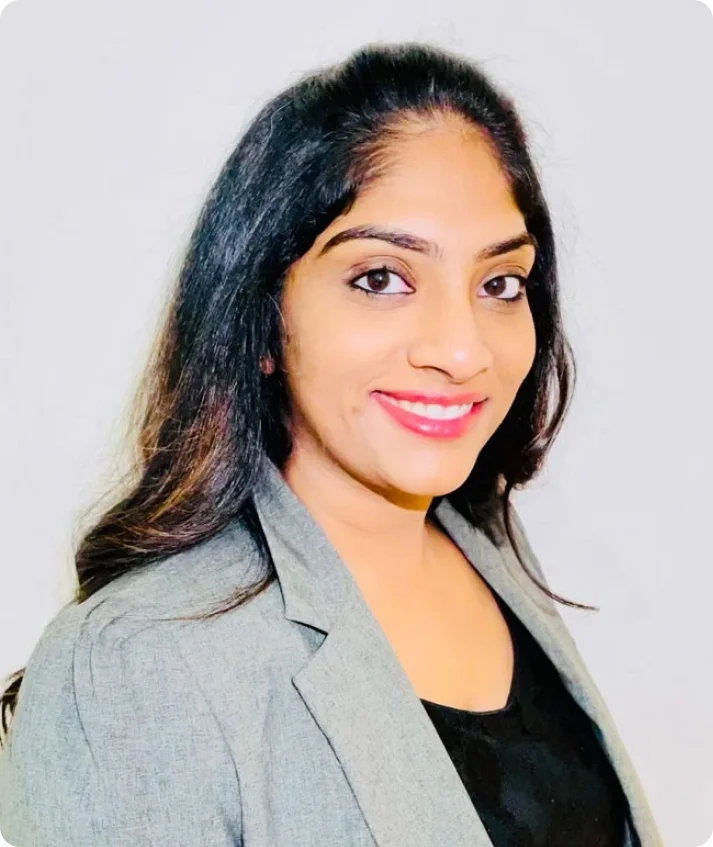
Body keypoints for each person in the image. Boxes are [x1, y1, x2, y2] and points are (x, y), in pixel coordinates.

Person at [0, 42, 662, 847]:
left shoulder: (485, 536)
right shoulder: (133, 663)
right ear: (262, 320)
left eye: (499, 283)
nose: (462, 351)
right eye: (381, 277)